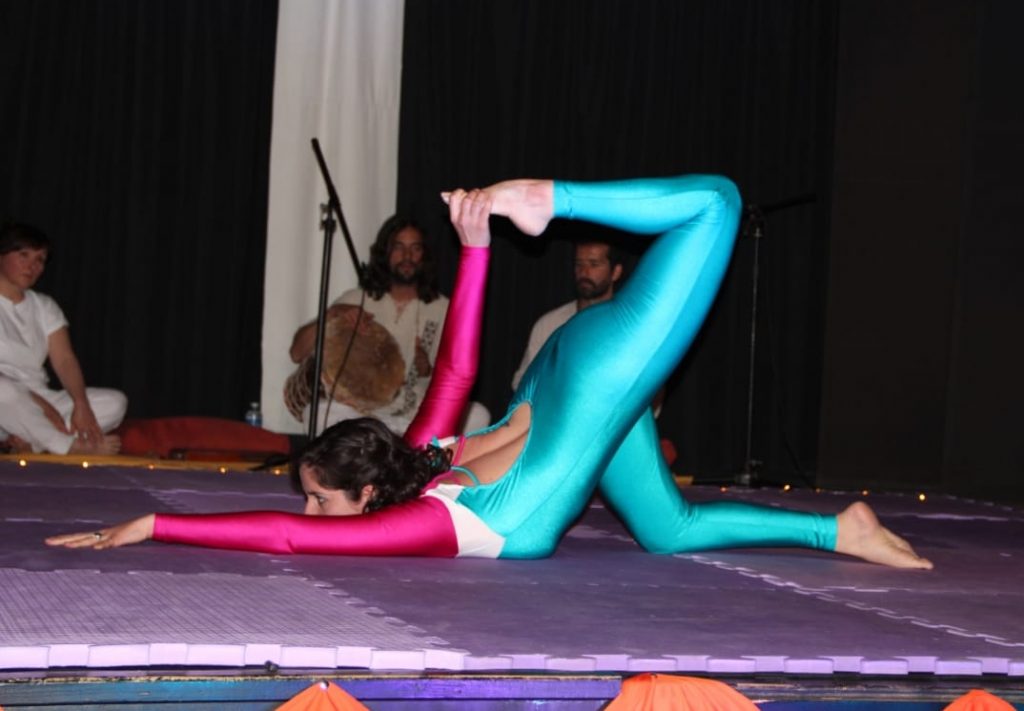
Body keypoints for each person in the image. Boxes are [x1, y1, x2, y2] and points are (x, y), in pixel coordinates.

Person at [47, 175, 932, 570]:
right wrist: (473, 251)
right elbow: (460, 367)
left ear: (366, 493)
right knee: (667, 529)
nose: (312, 513)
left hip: (583, 381)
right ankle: (839, 531)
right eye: (313, 498)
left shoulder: (415, 516)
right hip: (561, 384)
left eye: (320, 498)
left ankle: (556, 197)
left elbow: (286, 539)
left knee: (716, 206)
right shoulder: (420, 461)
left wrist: (157, 523)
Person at [288, 214, 488, 434]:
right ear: (385, 253)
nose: (407, 256)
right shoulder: (357, 299)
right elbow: (297, 353)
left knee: (478, 415)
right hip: (363, 413)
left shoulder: (445, 309)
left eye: (415, 248)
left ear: (424, 256)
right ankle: (391, 441)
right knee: (317, 414)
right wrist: (332, 313)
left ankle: (398, 442)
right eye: (398, 247)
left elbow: (456, 378)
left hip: (418, 415)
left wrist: (428, 370)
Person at [0, 222, 126, 455]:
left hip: (36, 400)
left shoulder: (44, 306)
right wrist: (41, 405)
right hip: (8, 402)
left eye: (40, 259)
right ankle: (68, 446)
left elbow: (65, 360)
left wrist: (81, 404)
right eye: (24, 255)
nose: (32, 266)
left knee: (115, 402)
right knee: (3, 392)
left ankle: (33, 444)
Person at [511, 240, 623, 390]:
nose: (584, 272)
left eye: (594, 264)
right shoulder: (551, 323)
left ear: (615, 272)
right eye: (579, 264)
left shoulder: (626, 326)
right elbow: (522, 383)